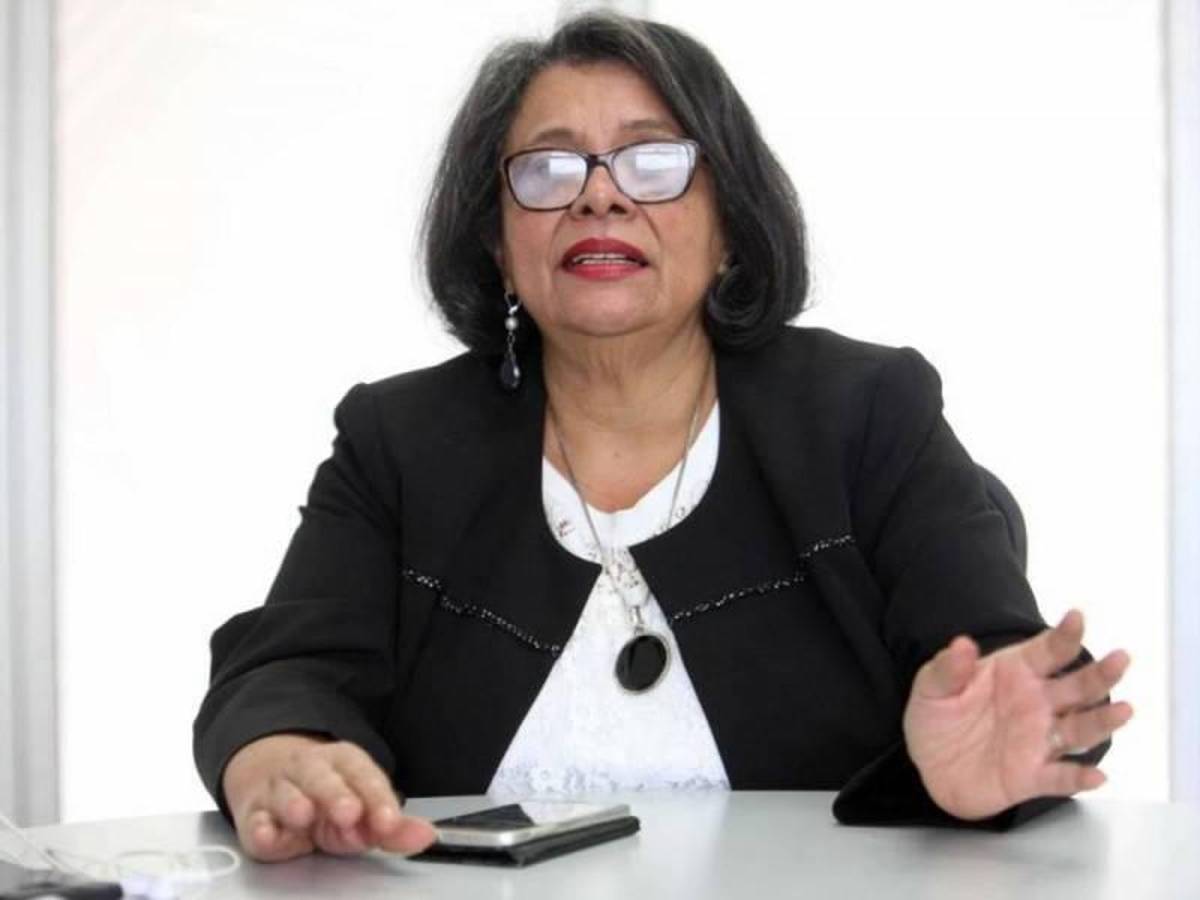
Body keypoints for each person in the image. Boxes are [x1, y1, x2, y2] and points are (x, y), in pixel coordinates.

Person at [193, 11, 1133, 863]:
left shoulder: (866, 412)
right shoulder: (398, 442)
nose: (599, 198)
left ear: (729, 224)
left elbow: (1007, 678)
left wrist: (972, 766)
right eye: (549, 170)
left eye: (652, 160)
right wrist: (280, 753)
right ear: (497, 242)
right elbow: (288, 673)